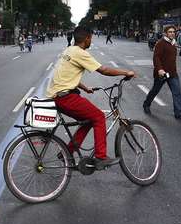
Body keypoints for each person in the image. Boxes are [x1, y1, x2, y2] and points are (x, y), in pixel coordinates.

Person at [47, 27, 135, 168]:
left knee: (88, 120)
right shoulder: (80, 53)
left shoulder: (69, 50)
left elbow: (66, 75)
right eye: (91, 38)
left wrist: (84, 87)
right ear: (87, 38)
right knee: (99, 116)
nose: (91, 41)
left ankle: (67, 152)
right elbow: (104, 70)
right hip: (66, 97)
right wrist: (126, 72)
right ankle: (101, 157)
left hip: (58, 95)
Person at [142, 25, 181, 119]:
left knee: (177, 92)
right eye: (170, 32)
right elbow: (156, 57)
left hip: (172, 73)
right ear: (166, 33)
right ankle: (146, 104)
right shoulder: (161, 43)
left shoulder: (173, 43)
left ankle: (178, 113)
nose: (172, 33)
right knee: (155, 90)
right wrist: (160, 69)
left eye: (173, 32)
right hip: (162, 74)